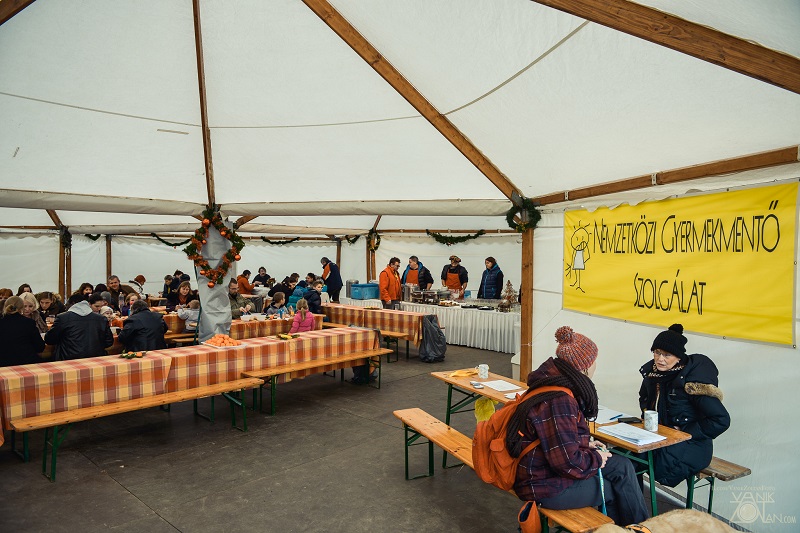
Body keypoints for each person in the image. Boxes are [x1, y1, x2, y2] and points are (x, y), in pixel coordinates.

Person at [512, 326, 648, 526]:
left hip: (541, 470)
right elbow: (567, 463)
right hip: (543, 485)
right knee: (615, 489)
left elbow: (556, 438)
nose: (595, 366)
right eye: (594, 361)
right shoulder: (560, 400)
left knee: (623, 466)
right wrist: (596, 458)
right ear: (584, 367)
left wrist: (584, 444)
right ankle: (637, 528)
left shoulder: (550, 383)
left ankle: (639, 528)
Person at [638, 324, 730, 487]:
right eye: (657, 352)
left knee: (642, 461)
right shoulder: (654, 375)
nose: (660, 359)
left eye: (667, 355)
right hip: (664, 437)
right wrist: (649, 419)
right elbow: (644, 398)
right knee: (627, 456)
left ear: (679, 357)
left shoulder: (691, 383)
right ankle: (632, 502)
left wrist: (686, 432)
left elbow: (721, 420)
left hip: (693, 446)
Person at [44, 293, 114, 361]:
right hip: (96, 359)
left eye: (67, 304)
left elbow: (49, 339)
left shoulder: (63, 318)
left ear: (72, 304)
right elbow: (109, 342)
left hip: (68, 359)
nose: (66, 307)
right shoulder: (101, 319)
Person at [0, 296, 46, 367]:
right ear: (22, 308)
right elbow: (40, 347)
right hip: (26, 362)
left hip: (3, 362)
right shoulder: (29, 323)